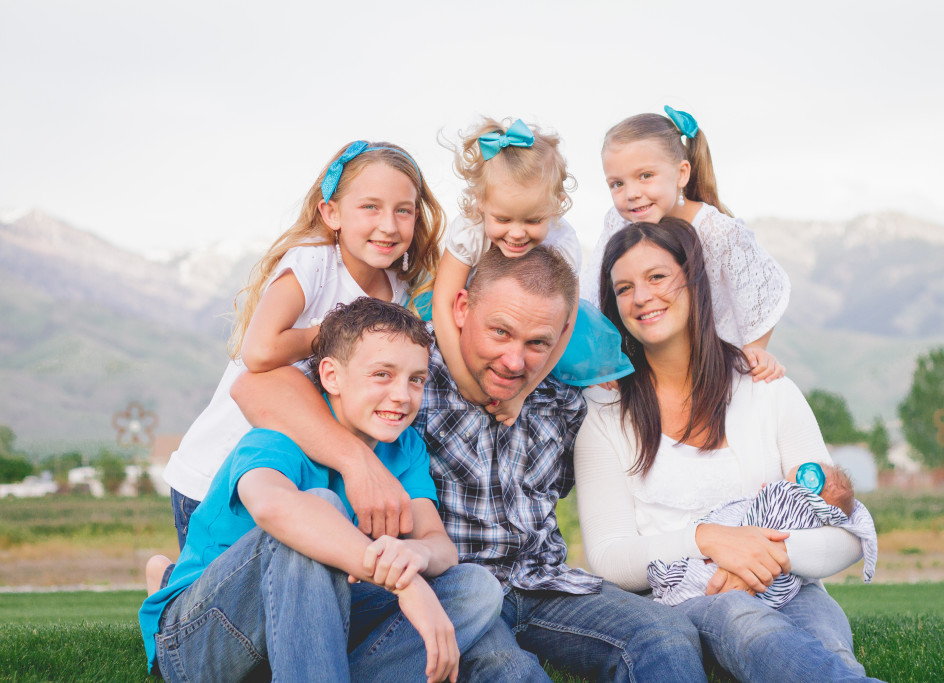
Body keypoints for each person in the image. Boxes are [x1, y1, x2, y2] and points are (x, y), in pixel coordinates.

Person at [233, 248, 713, 681]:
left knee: (665, 635)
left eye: (537, 343)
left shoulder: (563, 398)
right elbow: (254, 387)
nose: (512, 360)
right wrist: (358, 461)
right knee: (509, 671)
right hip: (451, 583)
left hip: (543, 581)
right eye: (499, 332)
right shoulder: (411, 373)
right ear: (462, 309)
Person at [574, 219, 880, 681]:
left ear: (695, 280)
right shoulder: (603, 413)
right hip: (689, 598)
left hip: (791, 587)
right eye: (623, 288)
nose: (641, 297)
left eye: (657, 277)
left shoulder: (767, 391)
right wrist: (708, 540)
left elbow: (844, 528)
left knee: (829, 652)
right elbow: (610, 558)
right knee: (740, 618)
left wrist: (760, 557)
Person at [139, 298, 502, 683]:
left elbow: (439, 544)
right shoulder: (279, 434)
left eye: (416, 379)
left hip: (313, 631)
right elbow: (271, 507)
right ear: (331, 376)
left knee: (476, 588)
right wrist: (402, 581)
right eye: (382, 374)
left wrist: (413, 552)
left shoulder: (405, 447)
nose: (402, 395)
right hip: (205, 637)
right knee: (316, 511)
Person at [159, 140, 444, 551]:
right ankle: (167, 583)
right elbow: (258, 352)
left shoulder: (399, 289)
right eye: (371, 207)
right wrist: (333, 331)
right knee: (220, 577)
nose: (389, 225)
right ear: (331, 213)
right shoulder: (313, 264)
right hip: (222, 464)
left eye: (404, 209)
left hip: (296, 464)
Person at [426, 117, 631, 425]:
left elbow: (566, 323)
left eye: (533, 221)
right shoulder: (469, 228)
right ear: (481, 202)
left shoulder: (561, 241)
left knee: (565, 366)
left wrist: (523, 393)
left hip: (540, 322)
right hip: (482, 315)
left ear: (556, 205)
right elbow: (443, 301)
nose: (517, 233)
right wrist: (463, 379)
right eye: (504, 220)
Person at [580, 106, 790, 383]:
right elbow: (594, 292)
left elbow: (760, 293)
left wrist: (755, 349)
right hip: (649, 360)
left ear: (681, 174)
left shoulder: (717, 231)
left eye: (645, 176)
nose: (631, 194)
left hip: (713, 362)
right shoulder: (618, 224)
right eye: (617, 184)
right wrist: (602, 358)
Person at [648, 462, 878, 609]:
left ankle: (671, 581)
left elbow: (758, 528)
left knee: (699, 577)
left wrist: (763, 553)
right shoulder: (816, 510)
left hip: (746, 573)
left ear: (809, 481)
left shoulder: (787, 498)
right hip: (769, 593)